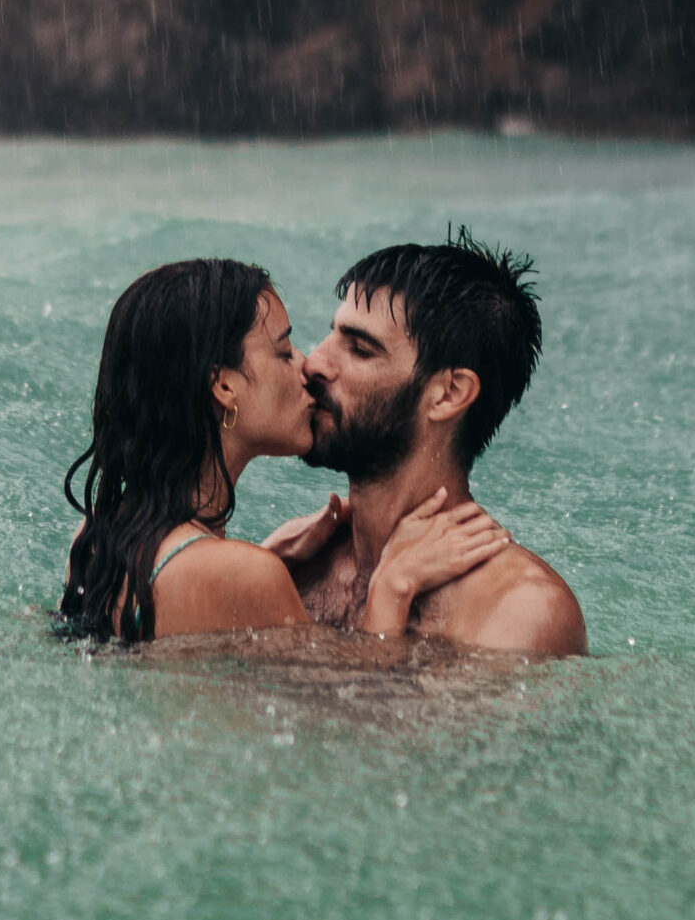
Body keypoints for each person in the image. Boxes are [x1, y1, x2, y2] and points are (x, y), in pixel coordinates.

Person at [59, 257, 512, 643]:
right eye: (283, 351)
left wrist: (264, 560)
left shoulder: (99, 531)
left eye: (359, 348)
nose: (308, 363)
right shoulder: (244, 574)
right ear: (222, 385)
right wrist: (392, 586)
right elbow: (345, 721)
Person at [263, 233, 586, 656]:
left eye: (360, 349)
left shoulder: (518, 610)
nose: (315, 362)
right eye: (332, 335)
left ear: (449, 394)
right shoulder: (296, 565)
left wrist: (390, 594)